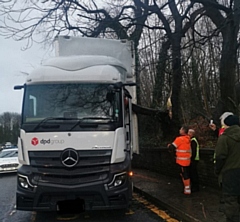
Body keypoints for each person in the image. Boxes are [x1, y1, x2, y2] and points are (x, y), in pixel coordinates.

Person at [215, 115, 240, 222]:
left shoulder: (225, 138)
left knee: (231, 200)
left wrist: (217, 170)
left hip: (230, 173)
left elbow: (220, 157)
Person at [168, 125, 191, 194]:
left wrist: (169, 146)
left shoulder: (179, 139)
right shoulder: (188, 139)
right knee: (185, 174)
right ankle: (187, 188)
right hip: (187, 160)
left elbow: (172, 147)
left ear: (183, 131)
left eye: (181, 129)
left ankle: (187, 190)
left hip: (181, 161)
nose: (179, 130)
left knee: (184, 175)